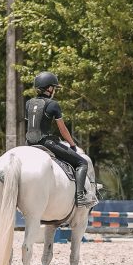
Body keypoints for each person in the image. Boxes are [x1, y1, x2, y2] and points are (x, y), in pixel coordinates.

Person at [24, 71, 95, 205]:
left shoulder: (28, 103)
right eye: (54, 88)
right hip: (45, 143)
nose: (55, 91)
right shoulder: (52, 104)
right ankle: (80, 197)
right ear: (49, 88)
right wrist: (72, 144)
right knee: (82, 163)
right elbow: (62, 129)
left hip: (28, 143)